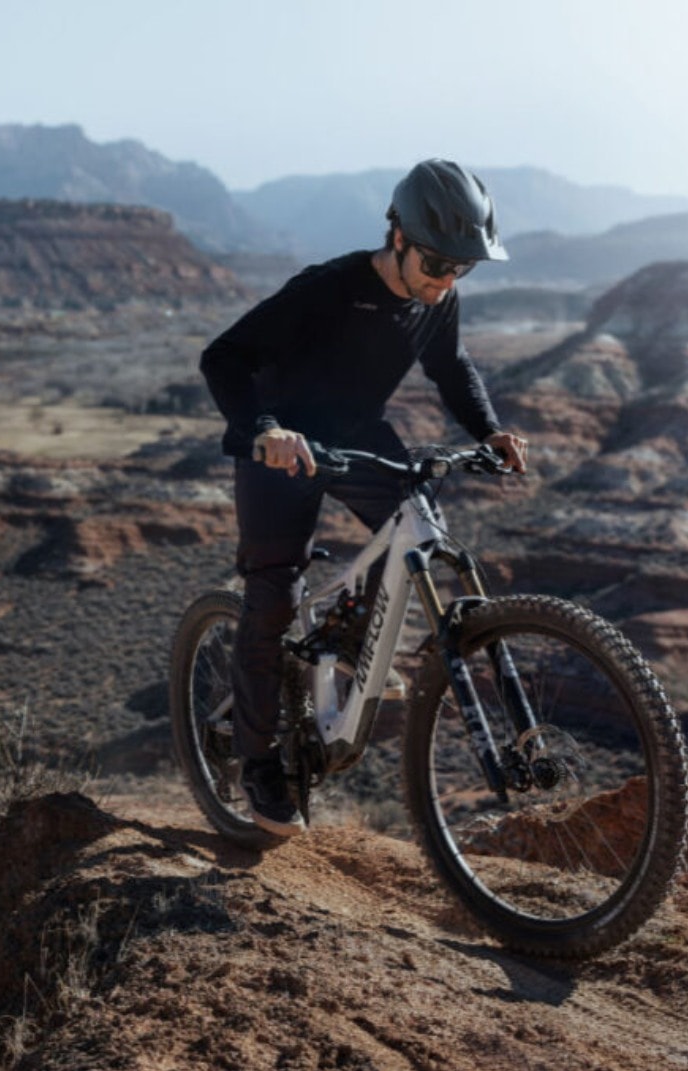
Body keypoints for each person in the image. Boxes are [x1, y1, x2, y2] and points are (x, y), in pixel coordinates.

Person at [199, 158, 530, 837]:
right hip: (281, 446)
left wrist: (487, 428)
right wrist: (265, 429)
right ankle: (257, 762)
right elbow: (223, 357)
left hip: (357, 437)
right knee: (273, 597)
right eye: (436, 265)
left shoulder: (437, 297)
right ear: (398, 237)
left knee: (421, 530)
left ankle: (349, 639)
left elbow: (449, 366)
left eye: (460, 270)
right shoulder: (326, 288)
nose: (443, 285)